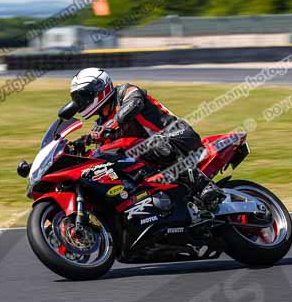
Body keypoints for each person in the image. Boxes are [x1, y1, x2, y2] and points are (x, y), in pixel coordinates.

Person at [69, 67, 225, 211]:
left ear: (99, 89)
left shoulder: (126, 92)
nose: (81, 102)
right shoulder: (102, 123)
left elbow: (134, 103)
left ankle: (204, 185)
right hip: (152, 156)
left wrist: (110, 125)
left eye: (83, 96)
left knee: (154, 144)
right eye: (77, 98)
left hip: (178, 136)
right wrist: (81, 144)